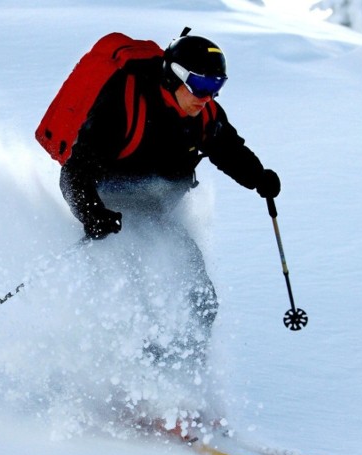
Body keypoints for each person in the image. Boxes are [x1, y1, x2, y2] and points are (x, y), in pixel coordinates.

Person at [59, 29, 281, 363]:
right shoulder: (124, 103)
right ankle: (133, 387)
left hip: (157, 219)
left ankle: (185, 378)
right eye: (201, 85)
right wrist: (92, 214)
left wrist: (258, 177)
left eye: (216, 87)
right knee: (137, 302)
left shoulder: (203, 115)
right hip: (112, 220)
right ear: (173, 76)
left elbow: (228, 148)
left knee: (201, 300)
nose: (207, 97)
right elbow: (73, 172)